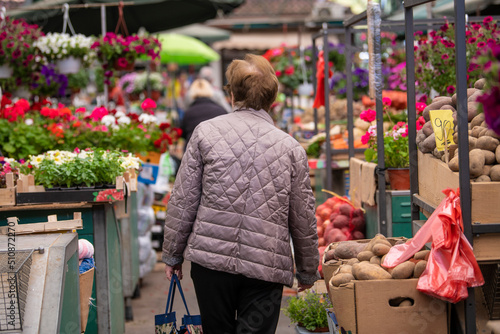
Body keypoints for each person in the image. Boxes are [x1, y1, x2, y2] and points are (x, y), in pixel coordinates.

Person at [162, 54, 320, 334]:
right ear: (273, 96)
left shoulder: (205, 133)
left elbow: (183, 199)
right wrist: (307, 271)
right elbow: (303, 215)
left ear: (232, 93)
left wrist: (173, 254)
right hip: (265, 265)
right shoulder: (291, 148)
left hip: (211, 262)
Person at [180, 78, 227, 150]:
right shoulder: (221, 111)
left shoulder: (188, 113)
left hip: (193, 152)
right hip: (217, 152)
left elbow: (183, 134)